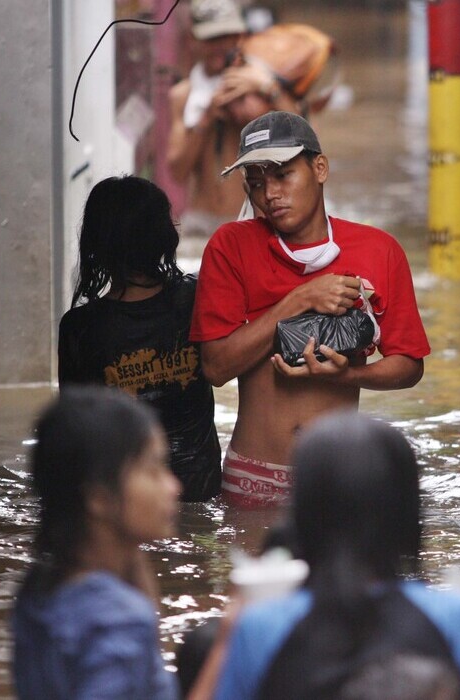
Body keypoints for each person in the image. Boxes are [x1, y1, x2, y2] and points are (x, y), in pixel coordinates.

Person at [205, 413, 460, 699]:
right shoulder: (458, 622)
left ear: (302, 515)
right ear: (409, 515)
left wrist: (226, 641)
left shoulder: (261, 631)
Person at [188, 111, 430, 505]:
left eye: (282, 175)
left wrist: (348, 374)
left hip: (339, 476)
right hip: (255, 476)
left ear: (319, 168)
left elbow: (409, 365)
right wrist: (298, 301)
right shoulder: (230, 246)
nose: (270, 194)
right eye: (256, 183)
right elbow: (215, 367)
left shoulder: (379, 249)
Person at [11, 387, 181, 700]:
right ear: (98, 497)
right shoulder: (119, 620)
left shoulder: (36, 590)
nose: (173, 486)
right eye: (153, 469)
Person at [58, 175, 221, 501]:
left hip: (127, 498)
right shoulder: (197, 297)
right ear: (165, 236)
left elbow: (76, 434)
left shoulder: (80, 328)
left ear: (97, 244)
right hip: (204, 491)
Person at [166, 0, 301, 238]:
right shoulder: (183, 95)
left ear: (240, 36)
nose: (220, 46)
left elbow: (303, 143)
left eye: (226, 37)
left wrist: (268, 90)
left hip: (258, 220)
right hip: (201, 222)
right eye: (211, 38)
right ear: (194, 40)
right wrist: (206, 117)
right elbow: (177, 170)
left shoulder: (265, 83)